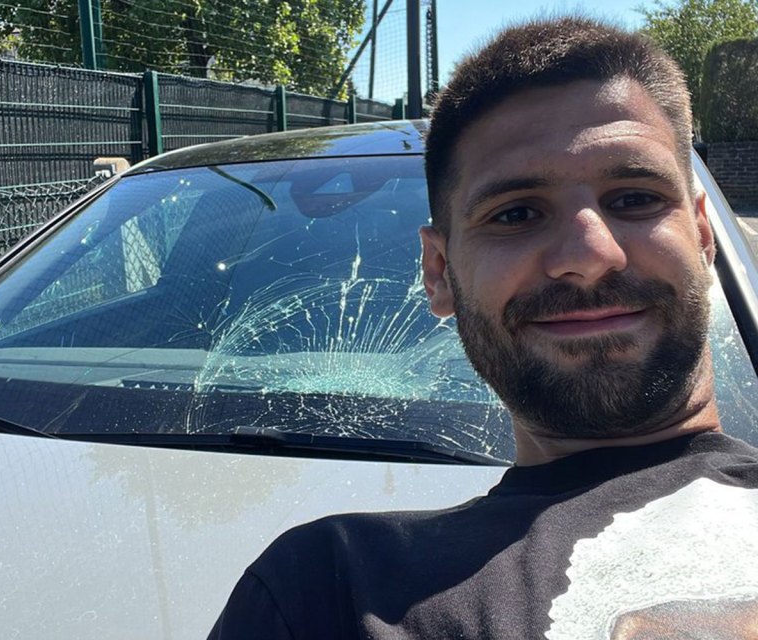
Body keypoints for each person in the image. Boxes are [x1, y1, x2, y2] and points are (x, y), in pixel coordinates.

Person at [208, 16, 758, 639]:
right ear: (439, 272)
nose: (588, 252)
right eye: (517, 213)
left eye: (634, 198)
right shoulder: (328, 591)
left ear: (704, 233)